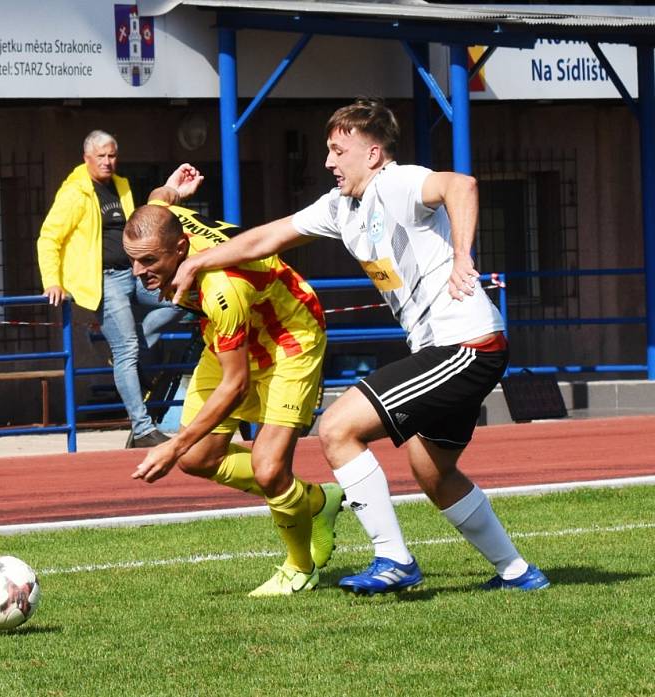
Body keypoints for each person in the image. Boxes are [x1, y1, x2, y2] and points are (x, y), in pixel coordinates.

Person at [170, 98, 550, 593]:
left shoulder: (396, 182)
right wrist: (199, 262)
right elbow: (266, 238)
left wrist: (462, 257)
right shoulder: (341, 207)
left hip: (466, 344)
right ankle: (520, 574)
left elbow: (463, 185)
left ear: (372, 154)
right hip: (450, 349)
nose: (329, 162)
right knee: (432, 471)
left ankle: (393, 559)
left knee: (338, 428)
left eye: (338, 150)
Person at [122, 180, 344, 597]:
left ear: (181, 249)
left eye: (149, 260)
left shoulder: (222, 288)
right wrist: (173, 187)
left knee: (267, 467)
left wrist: (170, 444)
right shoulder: (167, 223)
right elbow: (160, 201)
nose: (139, 272)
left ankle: (300, 567)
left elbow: (236, 385)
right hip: (230, 338)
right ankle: (315, 502)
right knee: (198, 458)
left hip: (288, 340)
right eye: (132, 261)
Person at [37, 130, 194, 448]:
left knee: (183, 300)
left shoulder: (120, 186)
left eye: (112, 156)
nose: (108, 162)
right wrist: (52, 281)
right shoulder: (75, 193)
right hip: (101, 281)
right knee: (126, 350)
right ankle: (142, 428)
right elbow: (49, 238)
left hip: (133, 273)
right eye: (101, 157)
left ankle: (132, 356)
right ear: (86, 159)